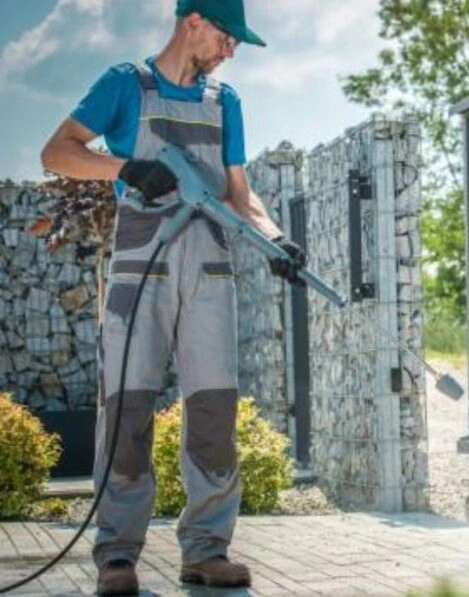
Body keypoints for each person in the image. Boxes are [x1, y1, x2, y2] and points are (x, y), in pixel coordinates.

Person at [40, 0, 305, 594]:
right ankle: (117, 556)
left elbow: (240, 193)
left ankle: (207, 551)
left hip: (210, 271)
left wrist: (277, 239)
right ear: (193, 21)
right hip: (141, 270)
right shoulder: (123, 84)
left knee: (213, 410)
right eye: (227, 36)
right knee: (128, 409)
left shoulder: (225, 101)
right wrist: (125, 168)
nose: (232, 49)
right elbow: (56, 152)